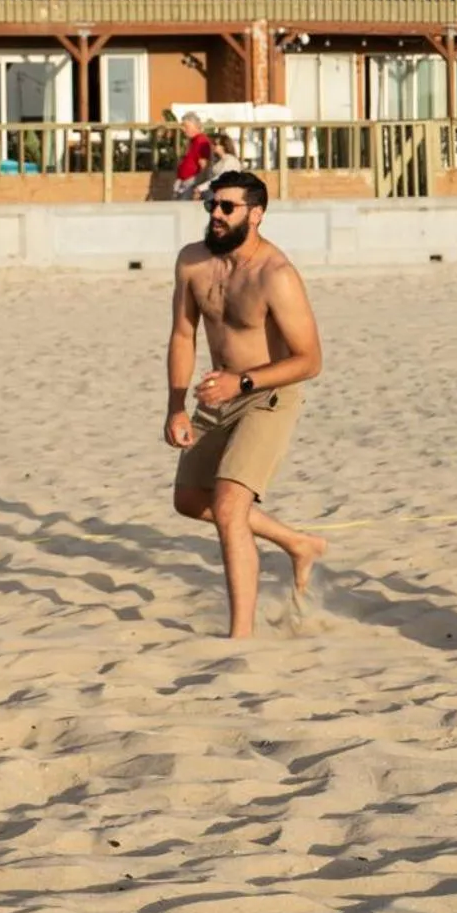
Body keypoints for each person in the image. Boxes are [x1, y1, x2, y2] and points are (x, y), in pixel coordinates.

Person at [165, 170, 327, 639]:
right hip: (219, 391)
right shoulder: (192, 262)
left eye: (227, 207)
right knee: (190, 500)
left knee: (231, 506)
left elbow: (310, 360)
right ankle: (298, 543)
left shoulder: (276, 274)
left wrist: (244, 380)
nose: (215, 215)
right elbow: (182, 334)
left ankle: (240, 638)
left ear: (255, 215)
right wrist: (176, 405)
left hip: (268, 392)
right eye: (211, 206)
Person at [173, 112, 215, 200]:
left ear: (195, 126)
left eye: (186, 126)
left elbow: (204, 167)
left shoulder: (201, 141)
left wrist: (197, 187)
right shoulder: (193, 141)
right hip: (185, 184)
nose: (183, 129)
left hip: (191, 185)